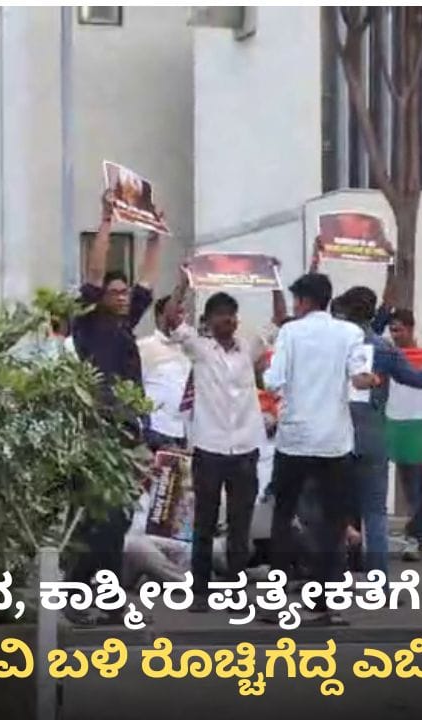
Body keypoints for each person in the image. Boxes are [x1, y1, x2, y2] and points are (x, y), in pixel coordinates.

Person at [64, 190, 164, 626]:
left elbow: (147, 283)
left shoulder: (124, 323)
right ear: (101, 296)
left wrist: (156, 235)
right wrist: (106, 221)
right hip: (98, 431)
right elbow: (92, 271)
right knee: (101, 520)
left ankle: (97, 597)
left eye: (125, 292)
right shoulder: (88, 322)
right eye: (115, 291)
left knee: (115, 520)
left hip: (126, 431)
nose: (123, 296)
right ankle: (88, 596)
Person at [163, 265, 284, 611]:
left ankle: (235, 592)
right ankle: (200, 593)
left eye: (231, 314)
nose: (227, 320)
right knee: (204, 522)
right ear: (209, 320)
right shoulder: (200, 349)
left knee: (239, 525)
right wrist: (183, 281)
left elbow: (278, 318)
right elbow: (171, 318)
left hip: (245, 447)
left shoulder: (248, 349)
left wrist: (274, 280)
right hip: (209, 447)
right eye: (220, 315)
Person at [263, 272, 376, 626]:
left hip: (295, 439)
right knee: (333, 523)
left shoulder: (290, 332)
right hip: (334, 440)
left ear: (303, 301)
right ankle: (326, 603)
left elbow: (273, 380)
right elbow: (359, 377)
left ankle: (276, 601)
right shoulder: (350, 333)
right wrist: (366, 379)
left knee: (283, 518)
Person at [335, 287, 422, 578]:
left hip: (336, 433)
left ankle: (337, 578)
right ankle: (379, 584)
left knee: (336, 509)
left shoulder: (334, 344)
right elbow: (416, 379)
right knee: (375, 512)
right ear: (374, 313)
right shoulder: (384, 348)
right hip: (372, 432)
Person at [386, 309, 422, 560]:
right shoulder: (390, 356)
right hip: (398, 426)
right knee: (412, 483)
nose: (394, 335)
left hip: (421, 427)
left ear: (410, 328)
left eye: (398, 330)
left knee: (418, 483)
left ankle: (417, 535)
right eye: (391, 330)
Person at [138, 297, 191, 451]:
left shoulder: (187, 350)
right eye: (177, 313)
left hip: (181, 431)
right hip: (154, 429)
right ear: (160, 316)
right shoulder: (144, 347)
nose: (181, 318)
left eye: (183, 313)